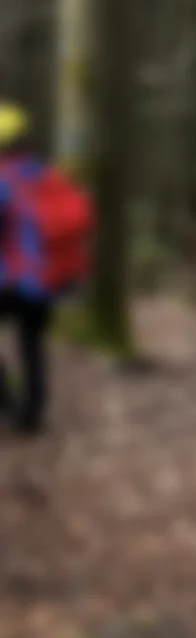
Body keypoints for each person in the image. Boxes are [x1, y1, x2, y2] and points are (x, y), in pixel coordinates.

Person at [0, 102, 81, 435]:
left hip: (9, 279)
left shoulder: (3, 179)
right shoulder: (46, 174)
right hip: (45, 280)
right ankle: (33, 415)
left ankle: (7, 404)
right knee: (32, 345)